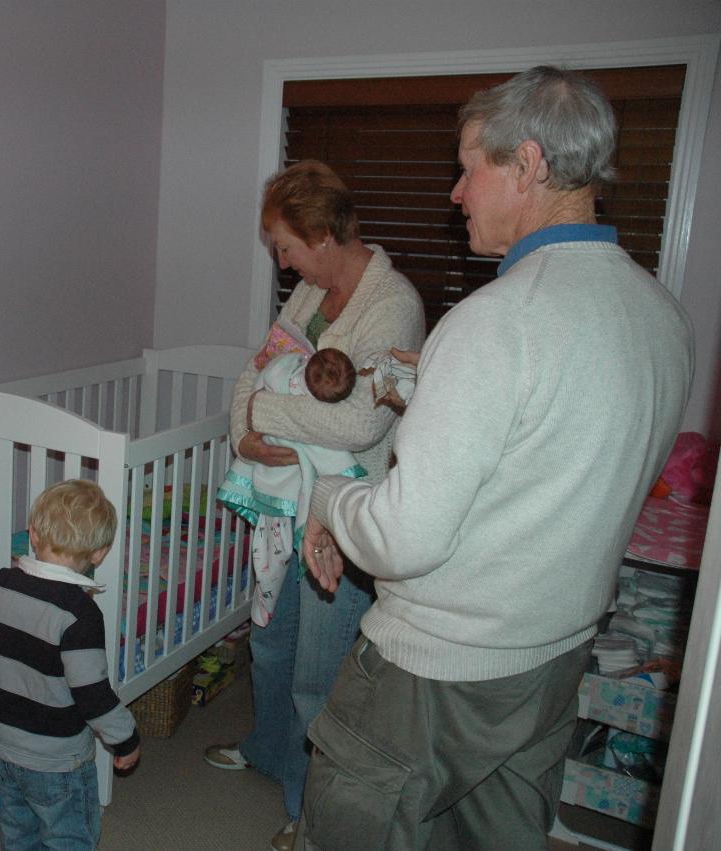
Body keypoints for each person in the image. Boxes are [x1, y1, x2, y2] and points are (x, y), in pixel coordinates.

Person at [297, 66, 693, 850]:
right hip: (552, 657)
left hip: (434, 670)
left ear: (530, 165)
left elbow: (404, 536)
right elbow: (556, 464)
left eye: (471, 165)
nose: (455, 191)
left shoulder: (497, 320)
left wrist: (326, 503)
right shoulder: (660, 314)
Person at [204, 160, 425, 851]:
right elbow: (253, 368)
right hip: (283, 508)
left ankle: (310, 809)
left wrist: (264, 409)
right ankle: (270, 750)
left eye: (286, 243)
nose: (281, 258)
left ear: (324, 234)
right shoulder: (305, 293)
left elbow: (363, 423)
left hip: (340, 515)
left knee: (316, 672)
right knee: (269, 645)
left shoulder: (394, 307)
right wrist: (244, 429)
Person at [0, 479, 142, 850]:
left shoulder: (0, 584)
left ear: (32, 532)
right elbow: (92, 695)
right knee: (69, 837)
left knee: (18, 831)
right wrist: (125, 739)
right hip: (56, 760)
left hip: (1, 744)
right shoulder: (80, 615)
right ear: (99, 553)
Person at [217, 321, 365, 628]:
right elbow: (335, 454)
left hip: (282, 487)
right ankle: (266, 596)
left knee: (271, 547)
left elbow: (261, 380)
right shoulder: (309, 396)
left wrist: (261, 407)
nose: (284, 268)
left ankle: (264, 595)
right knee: (275, 546)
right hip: (283, 482)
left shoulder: (285, 366)